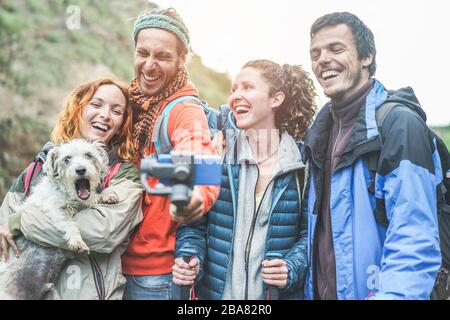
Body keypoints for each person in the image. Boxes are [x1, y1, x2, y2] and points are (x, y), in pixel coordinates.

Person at [304, 12, 442, 300]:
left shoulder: (399, 124)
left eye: (336, 49)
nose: (322, 60)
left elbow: (413, 238)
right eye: (315, 53)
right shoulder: (317, 134)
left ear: (367, 56)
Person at [173, 59, 317, 300]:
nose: (236, 96)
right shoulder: (216, 151)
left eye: (247, 87)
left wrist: (291, 267)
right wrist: (190, 259)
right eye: (234, 89)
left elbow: (310, 234)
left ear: (276, 99)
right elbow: (192, 225)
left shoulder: (301, 163)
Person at [0, 78, 144, 299]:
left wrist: (20, 221)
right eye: (96, 105)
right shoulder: (42, 163)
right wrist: (7, 224)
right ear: (79, 108)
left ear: (123, 123)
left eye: (116, 111)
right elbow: (3, 225)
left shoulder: (126, 174)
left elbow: (102, 233)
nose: (105, 115)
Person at [120, 7, 220, 300]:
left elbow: (202, 168)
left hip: (155, 279)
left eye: (162, 56)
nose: (149, 65)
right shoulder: (129, 102)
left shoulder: (183, 109)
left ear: (181, 60)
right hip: (109, 264)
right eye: (143, 53)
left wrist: (191, 195)